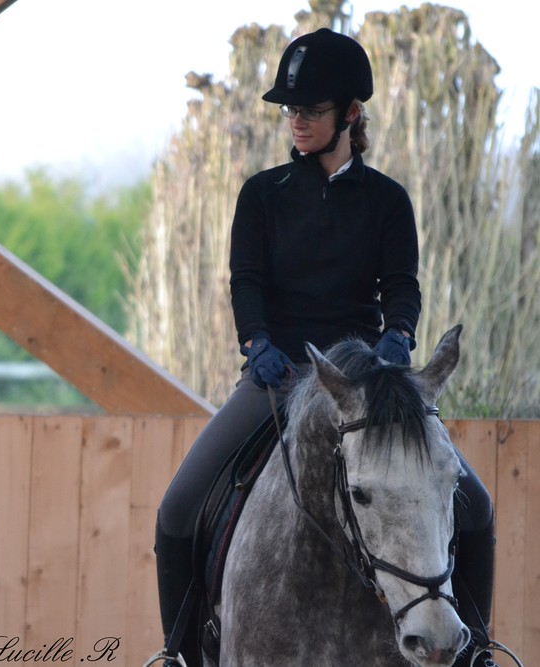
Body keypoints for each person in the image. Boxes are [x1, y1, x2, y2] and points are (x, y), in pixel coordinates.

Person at [152, 29, 495, 667]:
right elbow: (246, 281)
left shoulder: (388, 200)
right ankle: (177, 654)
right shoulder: (262, 194)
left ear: (351, 115)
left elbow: (401, 286)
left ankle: (475, 647)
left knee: (475, 507)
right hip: (277, 374)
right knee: (176, 510)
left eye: (310, 110)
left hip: (365, 382)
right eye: (291, 110)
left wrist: (398, 337)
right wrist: (256, 344)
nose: (297, 122)